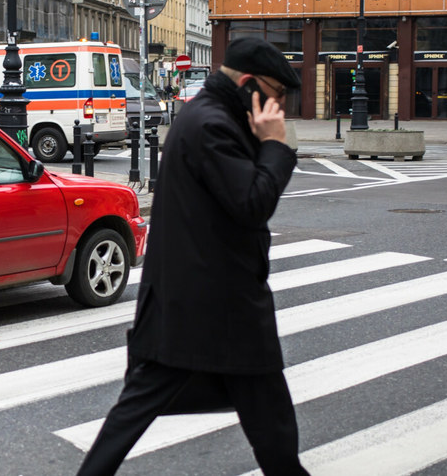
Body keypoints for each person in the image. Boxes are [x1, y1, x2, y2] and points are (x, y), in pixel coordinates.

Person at [77, 38, 307, 476]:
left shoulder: (211, 117)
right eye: (275, 95)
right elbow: (252, 202)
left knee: (269, 427)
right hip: (216, 304)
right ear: (248, 84)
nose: (279, 107)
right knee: (269, 427)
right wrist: (275, 145)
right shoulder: (212, 125)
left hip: (204, 300)